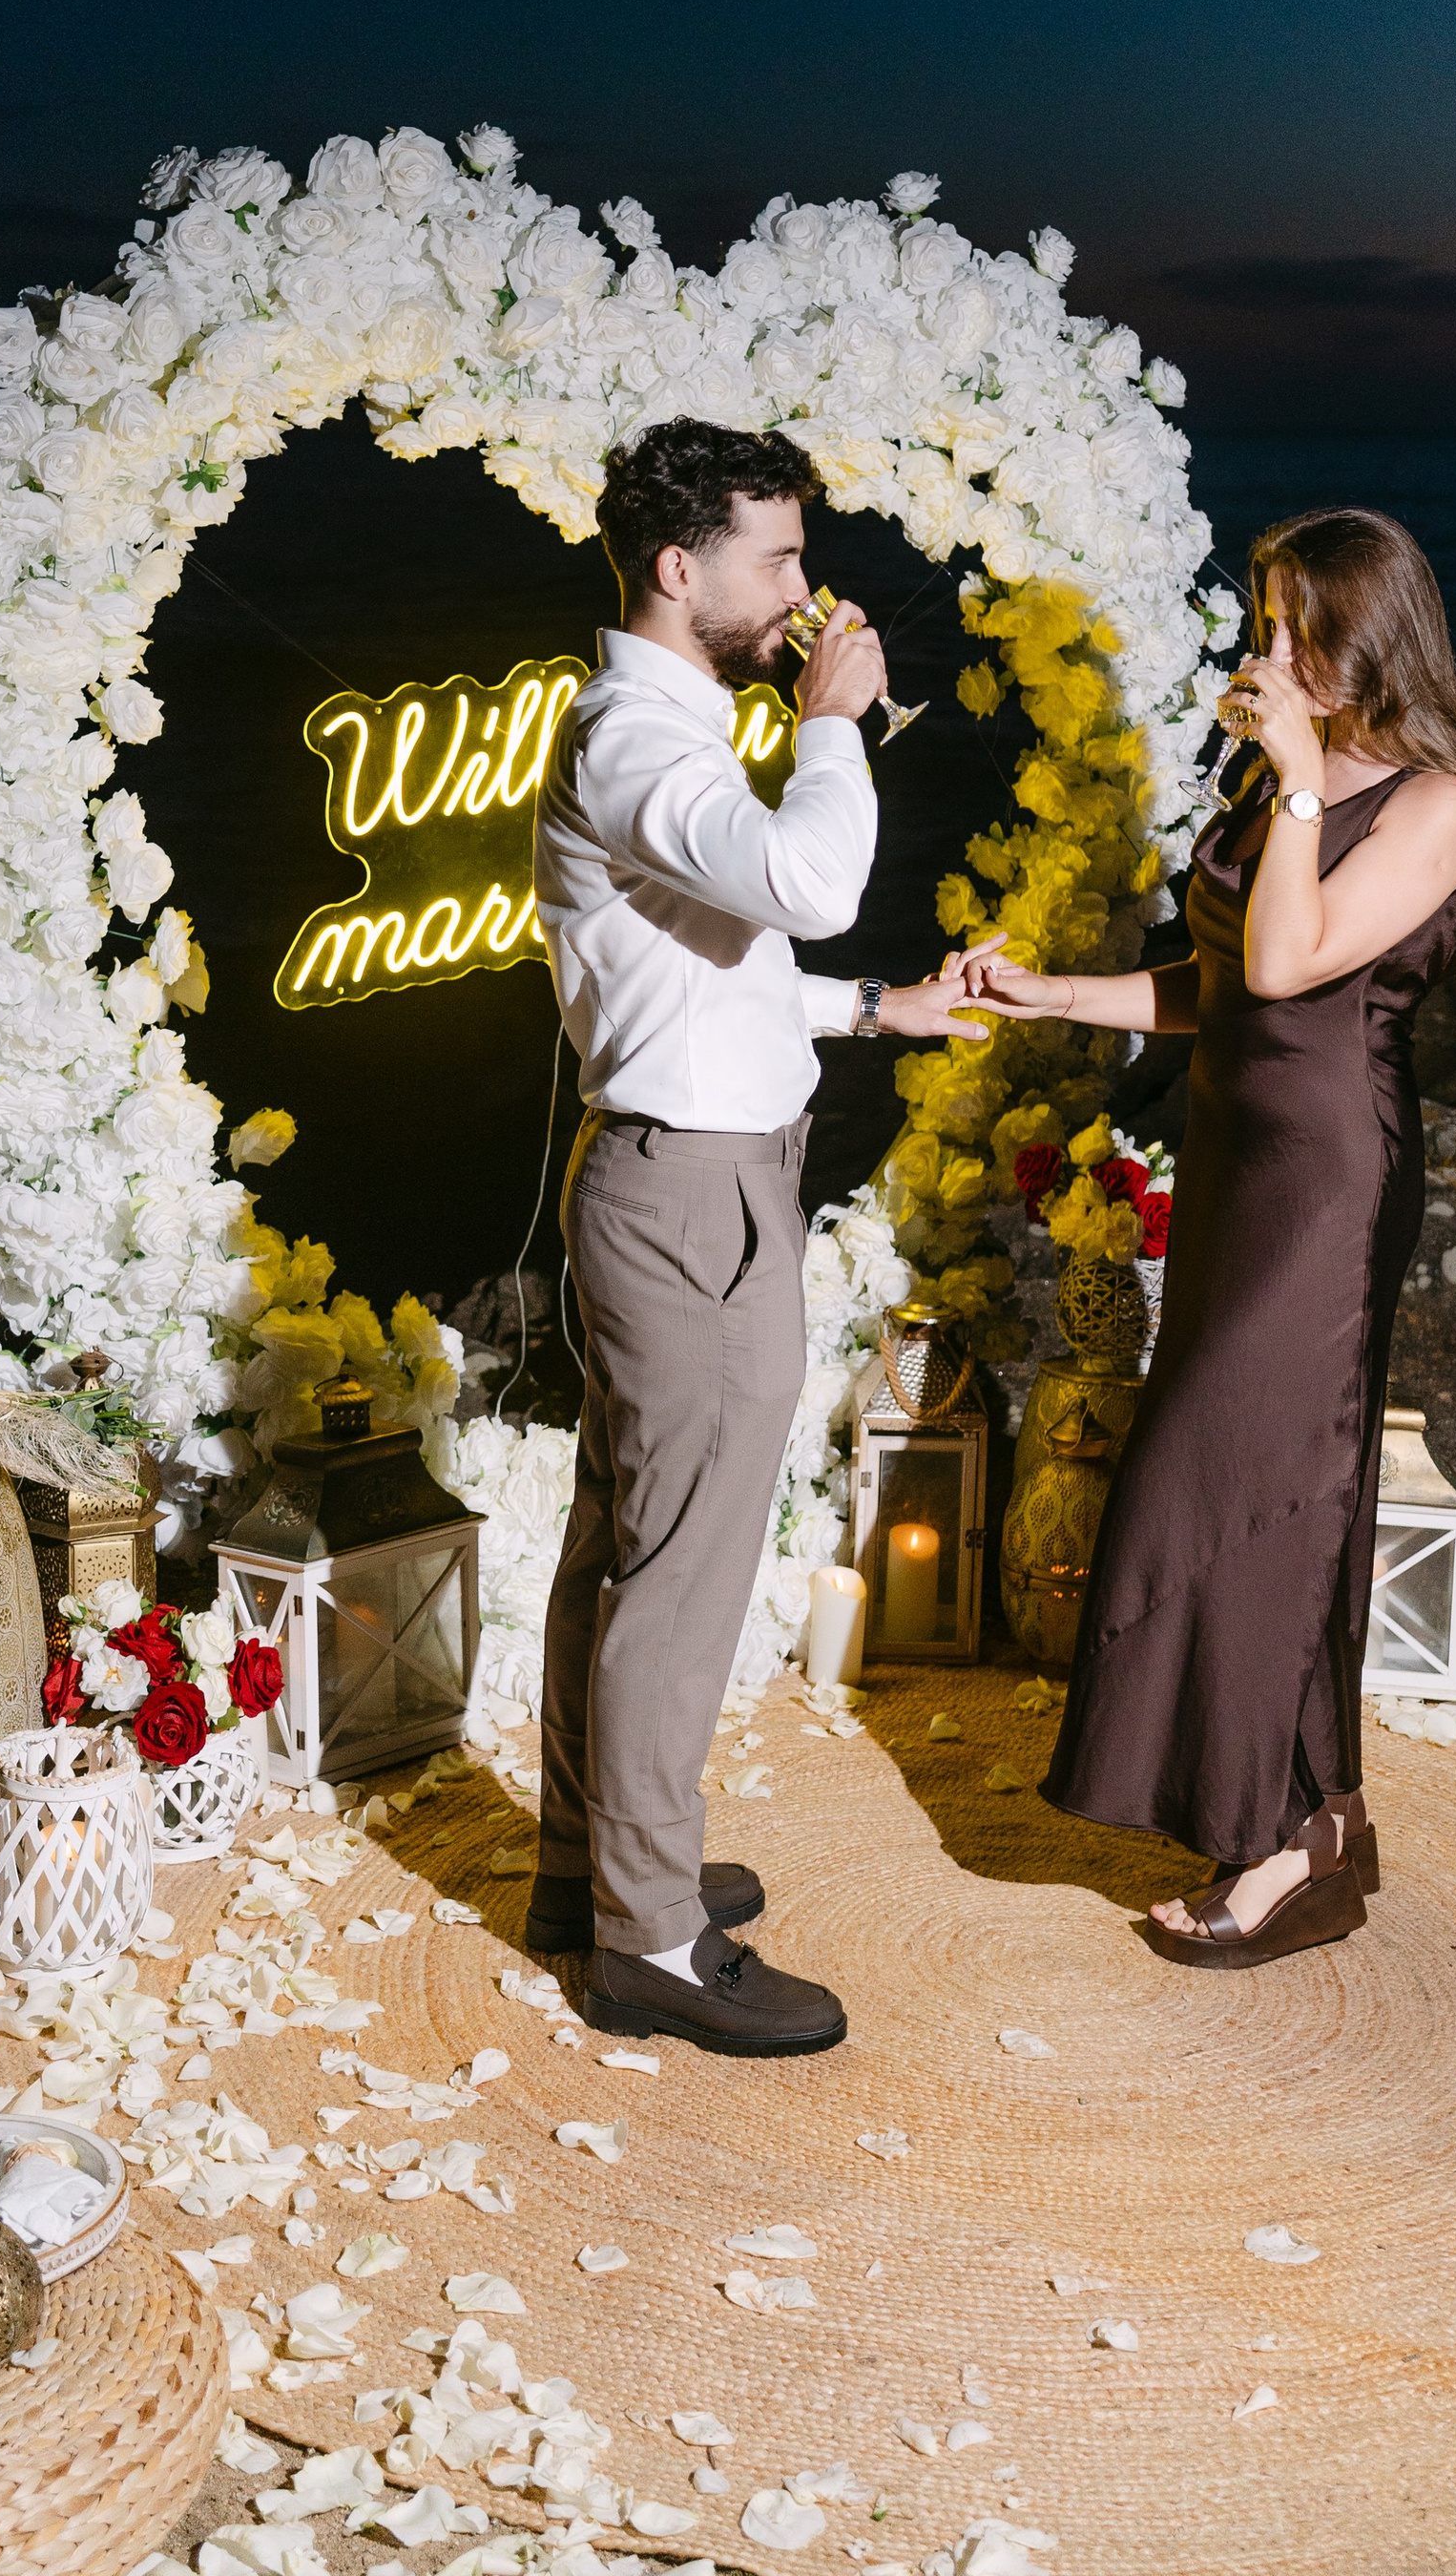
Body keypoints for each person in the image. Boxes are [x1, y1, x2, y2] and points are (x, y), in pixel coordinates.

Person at [963, 506, 1456, 1967]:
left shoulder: (1434, 802)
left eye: (1293, 629)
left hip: (1331, 1181)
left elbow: (1292, 959)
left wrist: (1303, 780)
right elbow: (1216, 988)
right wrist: (1056, 998)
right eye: (1259, 623)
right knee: (1224, 1482)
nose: (1264, 655)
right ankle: (1305, 1820)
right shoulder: (1298, 789)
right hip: (1236, 1166)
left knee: (1263, 1492)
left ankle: (1284, 1845)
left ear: (1367, 637)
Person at [530, 414, 986, 2052]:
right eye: (779, 554)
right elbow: (809, 881)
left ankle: (590, 1874)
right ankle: (647, 1940)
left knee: (627, 1535)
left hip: (683, 1171)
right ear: (682, 564)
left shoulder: (658, 732)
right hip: (695, 1200)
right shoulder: (644, 743)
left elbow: (712, 971)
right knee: (681, 1568)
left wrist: (881, 1010)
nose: (805, 585)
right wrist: (838, 724)